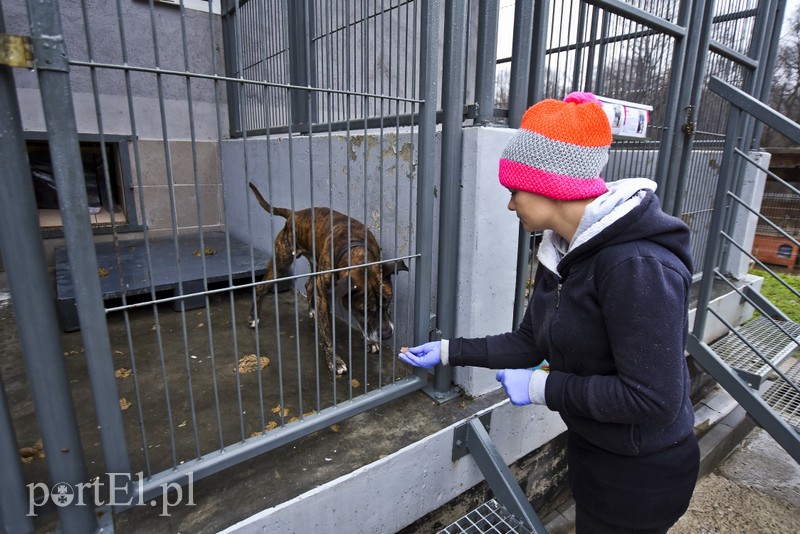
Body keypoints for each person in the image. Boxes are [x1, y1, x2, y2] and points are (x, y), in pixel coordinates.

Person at [399, 92, 699, 534]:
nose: (509, 204)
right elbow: (529, 341)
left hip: (641, 473)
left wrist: (543, 387)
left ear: (547, 184)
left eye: (513, 190)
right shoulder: (560, 252)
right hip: (595, 452)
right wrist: (449, 351)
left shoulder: (635, 266)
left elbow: (653, 398)